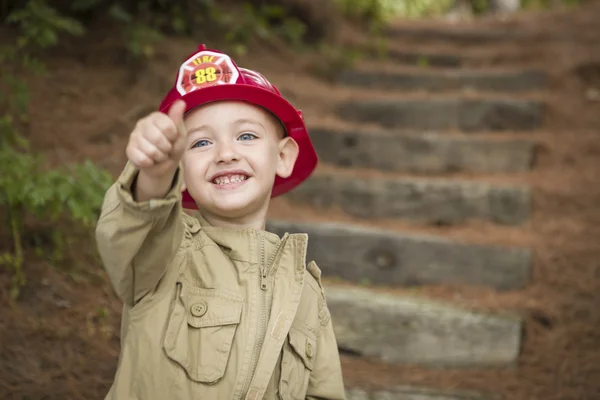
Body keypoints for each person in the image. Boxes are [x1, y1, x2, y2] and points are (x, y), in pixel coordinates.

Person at [95, 44, 345, 399]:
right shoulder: (164, 254)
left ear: (284, 156)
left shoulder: (305, 291)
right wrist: (152, 175)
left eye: (246, 136)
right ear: (178, 171)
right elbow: (128, 229)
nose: (226, 154)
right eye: (200, 143)